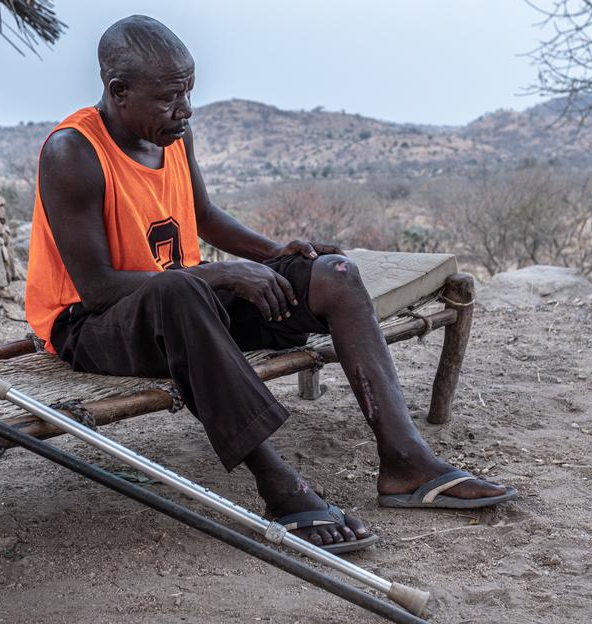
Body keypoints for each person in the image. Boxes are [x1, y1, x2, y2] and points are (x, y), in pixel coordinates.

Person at [25, 15, 517, 554]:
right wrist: (221, 273)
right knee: (181, 291)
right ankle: (279, 486)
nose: (184, 110)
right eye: (169, 99)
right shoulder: (72, 152)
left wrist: (273, 253)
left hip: (186, 304)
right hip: (93, 325)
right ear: (119, 92)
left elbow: (204, 215)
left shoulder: (169, 135)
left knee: (334, 275)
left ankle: (405, 462)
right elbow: (97, 288)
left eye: (188, 93)